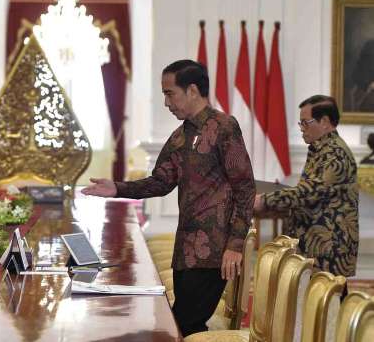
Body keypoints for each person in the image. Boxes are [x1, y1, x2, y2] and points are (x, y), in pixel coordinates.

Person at [82, 60, 255, 337]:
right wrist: (117, 189)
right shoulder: (180, 136)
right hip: (185, 250)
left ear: (193, 90)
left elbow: (245, 187)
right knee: (182, 326)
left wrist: (235, 244)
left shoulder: (224, 127)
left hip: (214, 250)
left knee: (182, 325)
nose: (166, 102)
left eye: (169, 93)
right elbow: (160, 182)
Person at [254, 95, 358, 297]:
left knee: (327, 312)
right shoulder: (321, 149)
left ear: (325, 122)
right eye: (300, 122)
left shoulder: (335, 153)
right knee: (317, 311)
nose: (301, 127)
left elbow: (309, 192)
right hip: (317, 246)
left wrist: (264, 200)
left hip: (328, 249)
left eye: (305, 122)